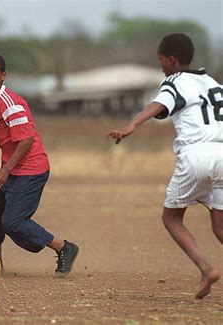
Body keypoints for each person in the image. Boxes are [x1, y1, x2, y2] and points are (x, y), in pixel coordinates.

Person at [107, 33, 223, 299]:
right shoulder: (212, 82)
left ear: (171, 60)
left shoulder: (175, 81)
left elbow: (159, 103)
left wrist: (132, 125)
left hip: (196, 153)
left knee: (171, 218)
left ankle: (207, 269)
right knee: (219, 226)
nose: (161, 67)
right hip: (222, 152)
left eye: (161, 61)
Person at [0, 53, 79, 277]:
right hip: (9, 168)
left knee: (13, 223)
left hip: (30, 170)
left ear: (3, 76)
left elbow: (27, 138)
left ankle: (64, 247)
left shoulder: (9, 103)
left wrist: (6, 169)